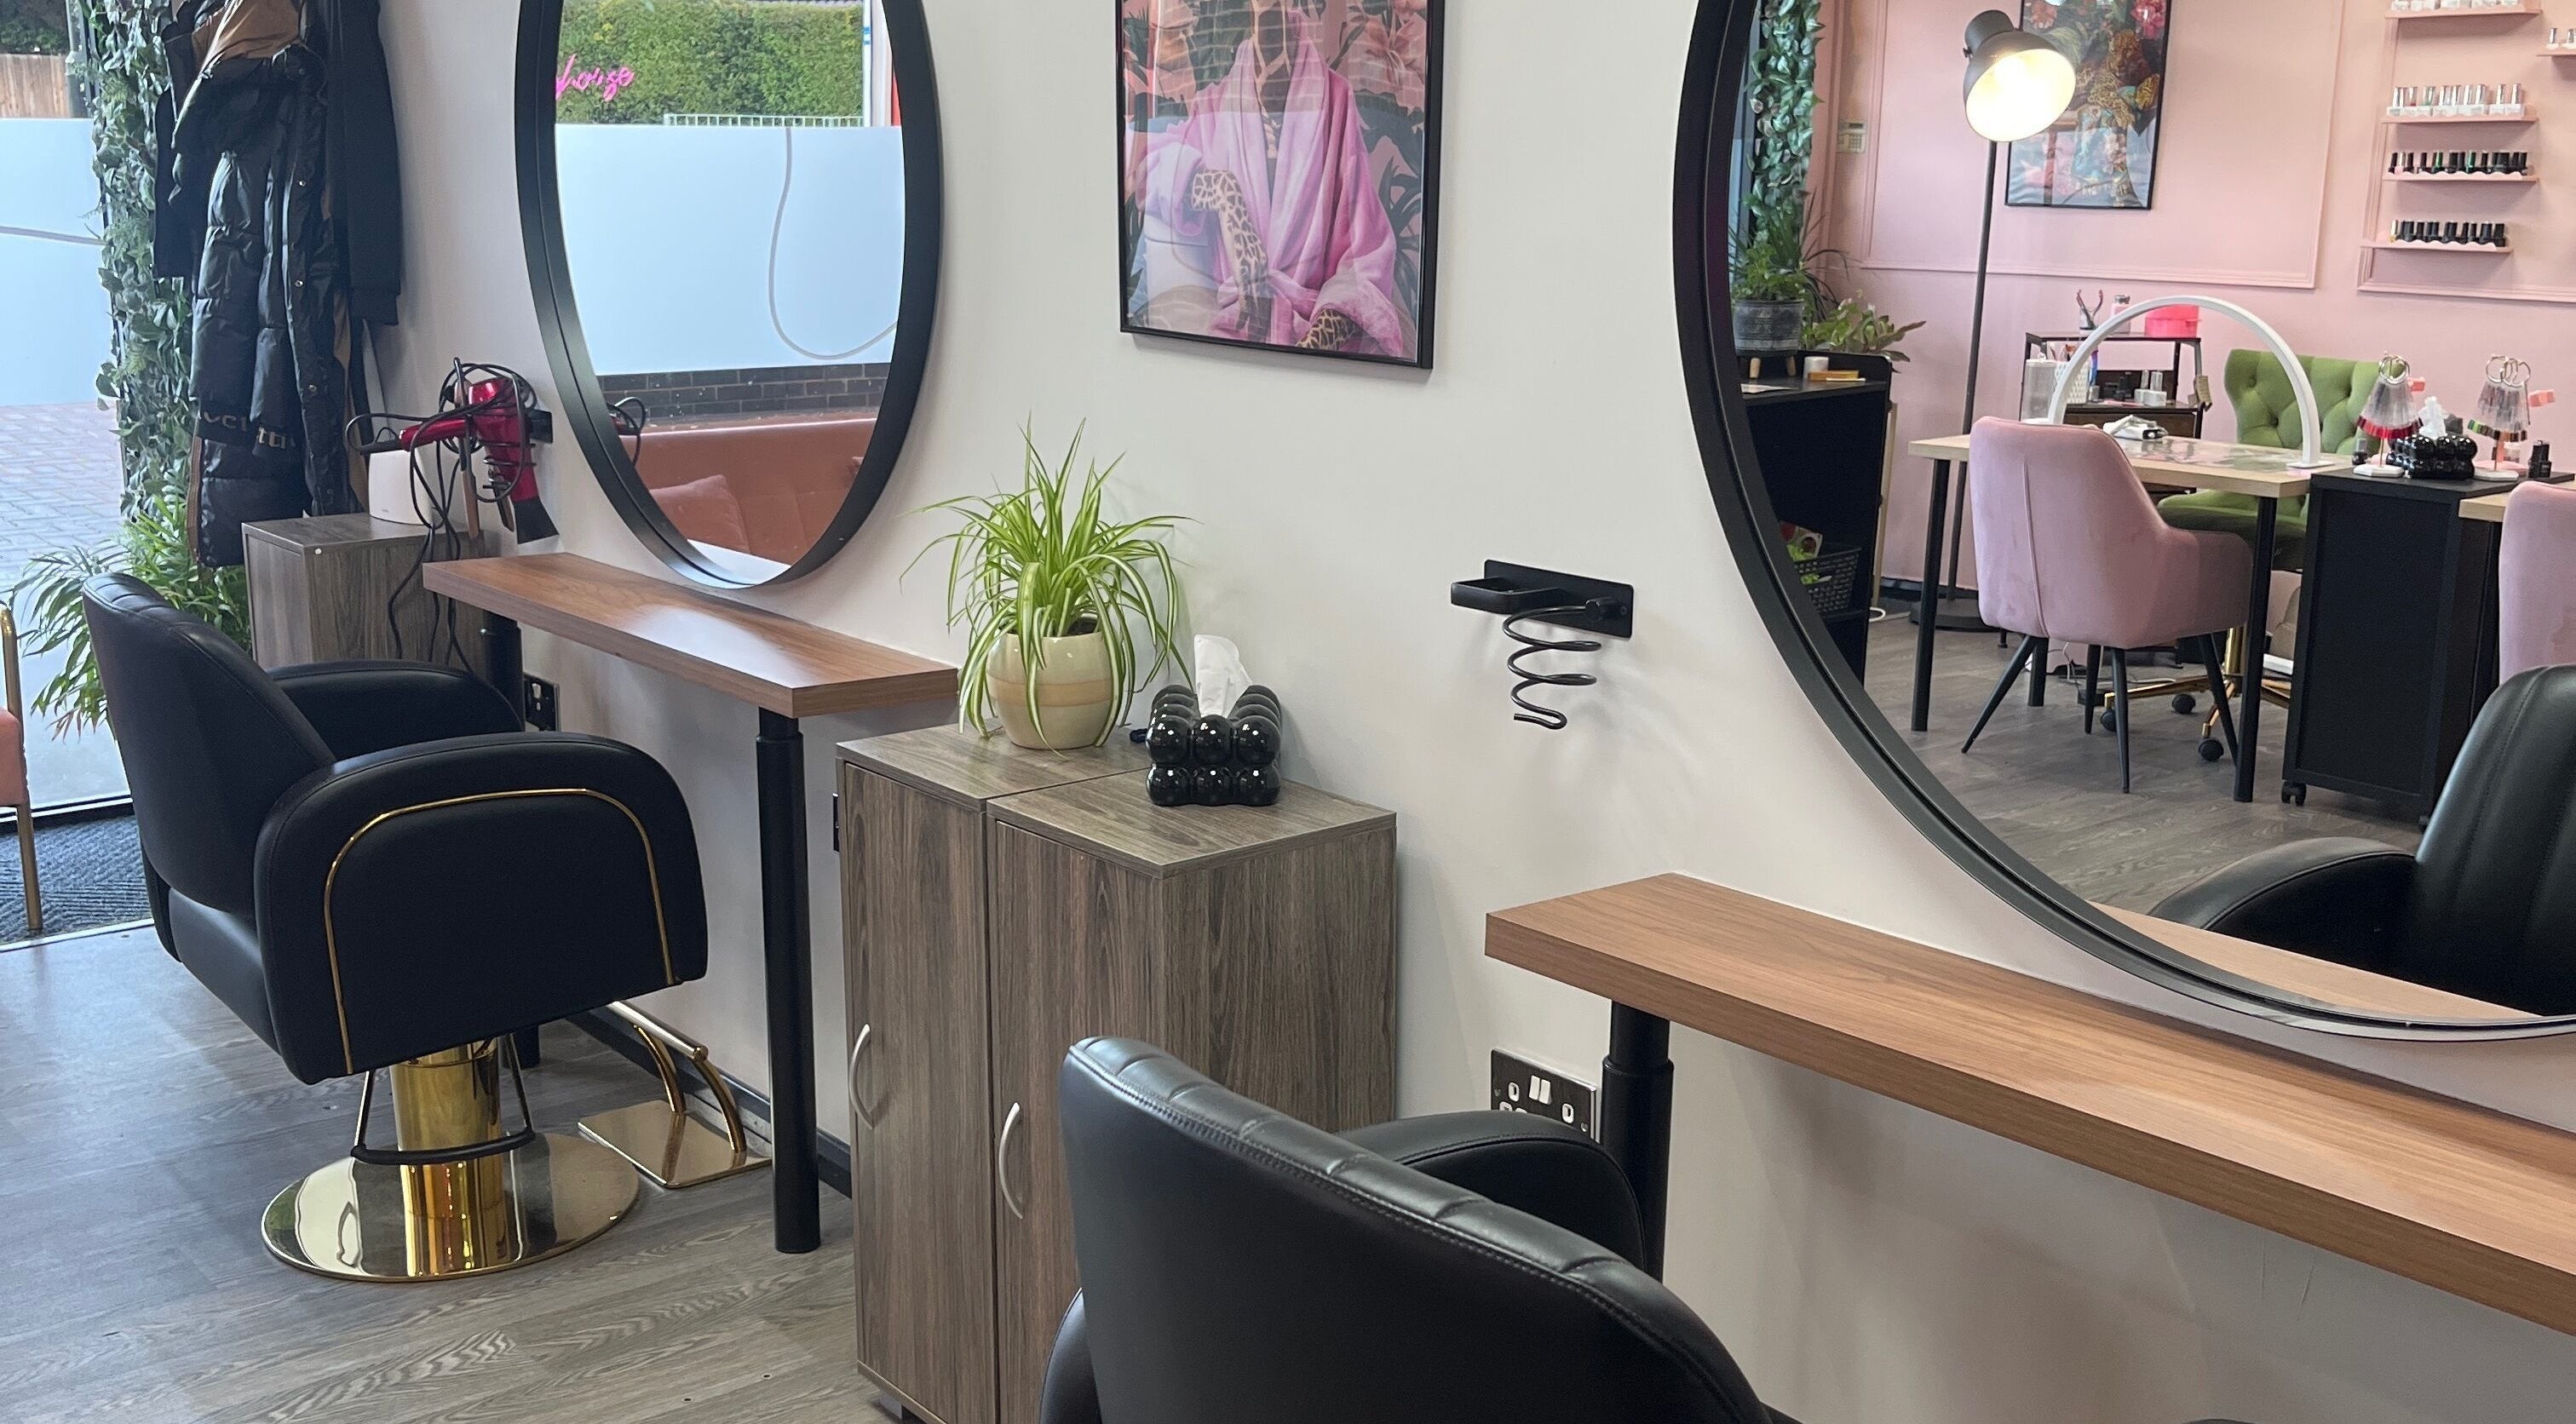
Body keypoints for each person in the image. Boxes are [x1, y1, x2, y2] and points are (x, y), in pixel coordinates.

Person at [1130, 0, 1410, 357]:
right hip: (1235, 320)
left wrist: (1315, 345)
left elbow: (1365, 255)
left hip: (1314, 321)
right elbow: (1148, 169)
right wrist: (1225, 196)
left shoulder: (1336, 99)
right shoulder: (1215, 104)